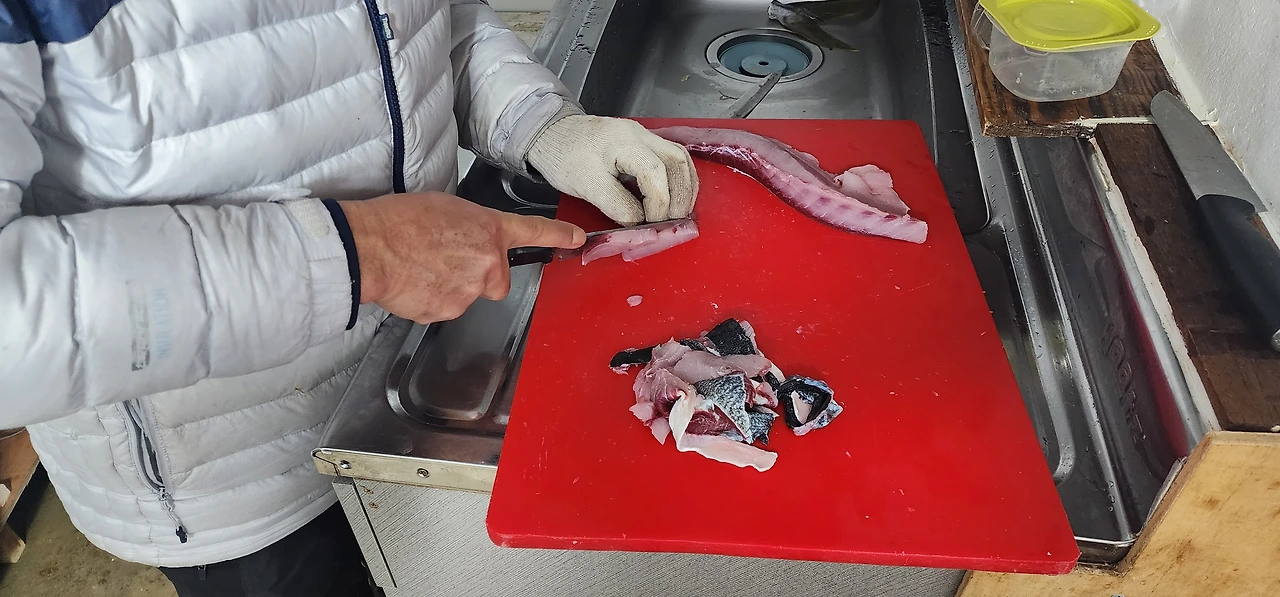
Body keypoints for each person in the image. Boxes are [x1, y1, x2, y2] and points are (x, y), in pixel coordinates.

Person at [0, 1, 698, 595]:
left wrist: (539, 121)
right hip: (243, 482)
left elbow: (427, 25)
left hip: (418, 386)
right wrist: (363, 254)